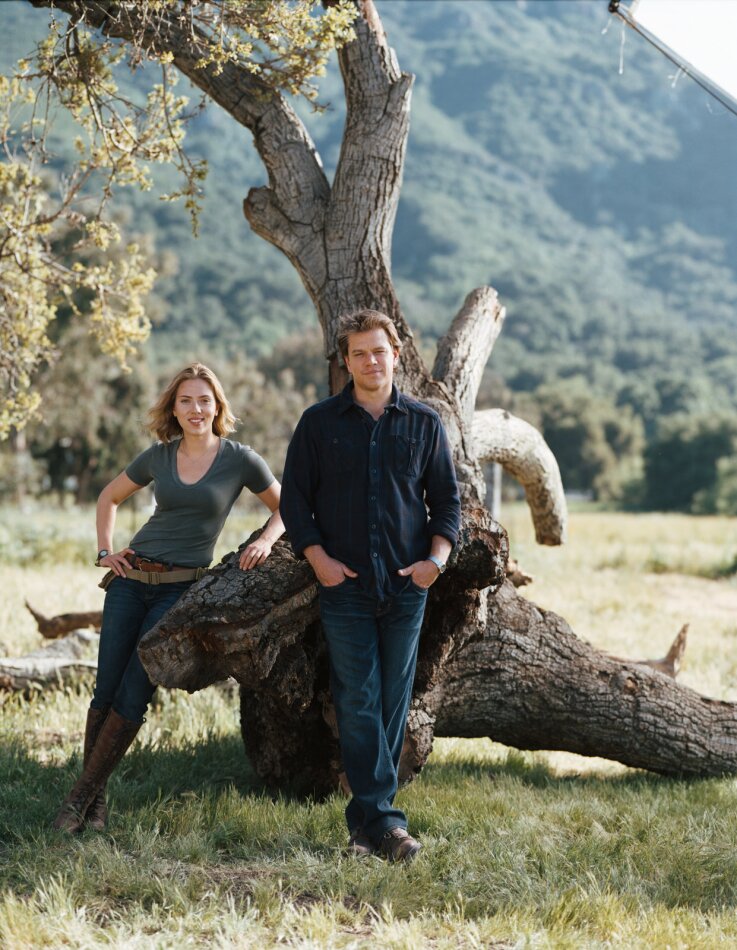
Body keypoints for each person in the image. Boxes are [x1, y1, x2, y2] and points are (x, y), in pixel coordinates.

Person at [53, 362, 284, 833]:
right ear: (174, 410)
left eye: (204, 400)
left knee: (134, 693)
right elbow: (108, 497)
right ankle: (93, 804)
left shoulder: (240, 459)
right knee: (105, 690)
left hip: (178, 592)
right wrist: (105, 552)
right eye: (186, 401)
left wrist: (265, 540)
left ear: (217, 407)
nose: (196, 409)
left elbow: (288, 507)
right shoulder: (159, 457)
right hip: (129, 581)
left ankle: (77, 802)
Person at [280, 310, 461, 862]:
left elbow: (447, 503)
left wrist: (435, 562)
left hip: (407, 588)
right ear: (346, 361)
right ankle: (388, 824)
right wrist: (319, 560)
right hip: (345, 587)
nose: (370, 361)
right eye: (359, 353)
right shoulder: (318, 423)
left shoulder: (425, 423)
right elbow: (295, 501)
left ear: (396, 354)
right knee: (358, 699)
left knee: (390, 704)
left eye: (379, 351)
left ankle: (365, 828)